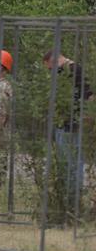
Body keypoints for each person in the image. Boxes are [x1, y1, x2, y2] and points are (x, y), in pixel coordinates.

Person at [43, 49, 92, 218]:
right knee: (66, 163)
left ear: (55, 60)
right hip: (64, 124)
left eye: (49, 68)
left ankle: (73, 201)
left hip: (72, 125)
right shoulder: (66, 72)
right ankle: (67, 200)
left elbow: (90, 96)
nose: (50, 72)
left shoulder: (74, 70)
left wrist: (85, 116)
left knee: (72, 163)